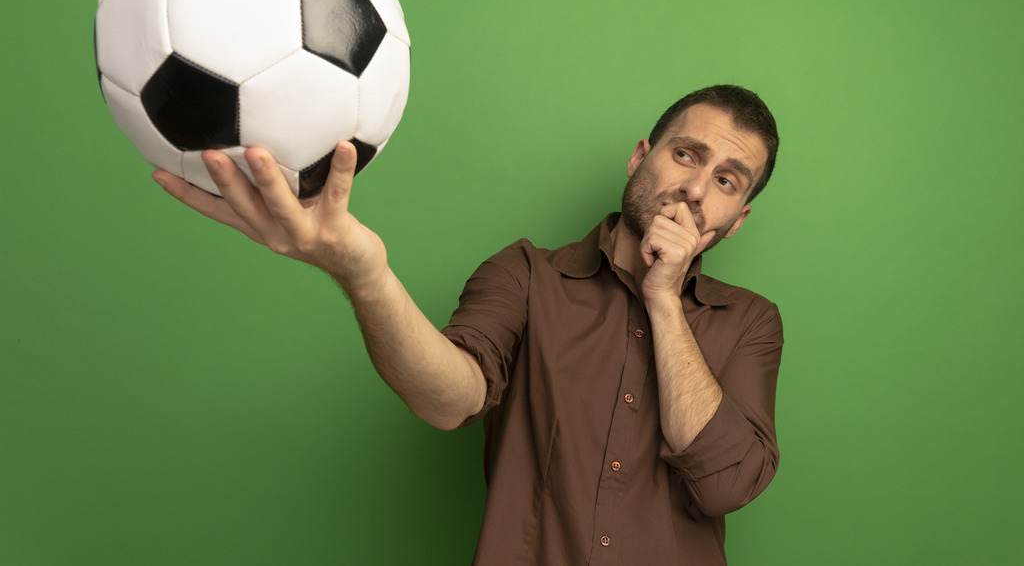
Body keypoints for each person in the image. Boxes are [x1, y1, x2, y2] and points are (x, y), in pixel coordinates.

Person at [154, 83, 783, 565]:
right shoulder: (525, 276)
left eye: (725, 181)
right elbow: (449, 399)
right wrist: (364, 273)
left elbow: (726, 485)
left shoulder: (751, 323)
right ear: (640, 157)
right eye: (684, 155)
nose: (696, 190)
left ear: (739, 219)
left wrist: (665, 299)